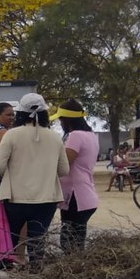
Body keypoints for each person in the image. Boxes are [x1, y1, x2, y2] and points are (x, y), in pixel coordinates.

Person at [0, 93, 69, 263]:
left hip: (15, 199)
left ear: (20, 113)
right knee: (37, 243)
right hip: (46, 200)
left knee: (10, 241)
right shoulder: (55, 137)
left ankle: (8, 277)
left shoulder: (11, 135)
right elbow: (64, 170)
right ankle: (35, 277)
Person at [51, 99, 99, 253]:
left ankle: (72, 269)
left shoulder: (75, 136)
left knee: (68, 240)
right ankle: (77, 268)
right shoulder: (91, 135)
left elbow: (64, 163)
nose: (60, 122)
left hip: (75, 196)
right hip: (86, 193)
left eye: (61, 119)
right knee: (78, 240)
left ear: (67, 120)